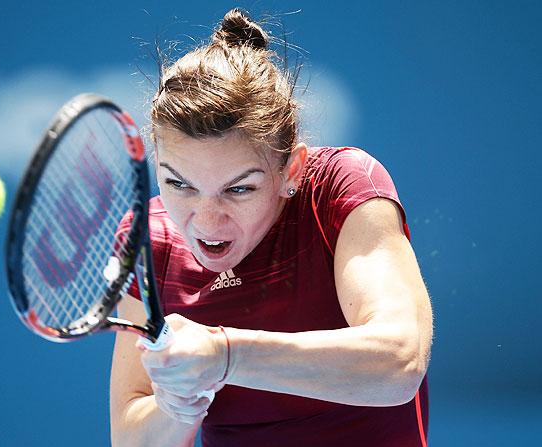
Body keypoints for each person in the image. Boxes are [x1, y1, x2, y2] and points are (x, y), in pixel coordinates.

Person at [110, 8, 433, 447]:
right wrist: (175, 406)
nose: (206, 220)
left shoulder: (338, 185)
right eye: (179, 184)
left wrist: (226, 355)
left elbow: (400, 363)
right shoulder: (152, 240)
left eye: (239, 190)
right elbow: (131, 439)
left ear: (291, 171)